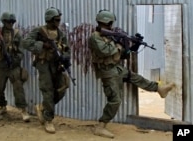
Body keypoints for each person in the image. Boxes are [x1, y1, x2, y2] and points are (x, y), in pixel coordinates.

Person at [88, 10, 175, 138]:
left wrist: (134, 46)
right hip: (107, 72)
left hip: (116, 68)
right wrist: (120, 43)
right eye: (111, 22)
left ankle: (159, 88)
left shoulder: (109, 36)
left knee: (136, 77)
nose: (112, 25)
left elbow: (123, 55)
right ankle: (101, 127)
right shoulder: (95, 37)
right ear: (107, 22)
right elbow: (105, 51)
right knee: (115, 100)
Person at [22, 7, 70, 133]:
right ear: (49, 19)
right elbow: (25, 42)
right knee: (48, 90)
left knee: (61, 89)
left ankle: (42, 106)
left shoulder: (61, 34)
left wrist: (64, 59)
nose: (59, 22)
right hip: (43, 64)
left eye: (59, 19)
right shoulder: (39, 31)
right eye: (56, 19)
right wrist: (42, 45)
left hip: (57, 65)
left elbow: (67, 50)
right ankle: (48, 120)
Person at [0, 12, 30, 122]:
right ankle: (2, 106)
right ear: (4, 22)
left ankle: (23, 110)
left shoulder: (17, 34)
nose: (11, 24)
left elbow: (21, 52)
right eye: (8, 22)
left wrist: (14, 61)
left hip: (13, 66)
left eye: (12, 22)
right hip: (0, 66)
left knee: (18, 88)